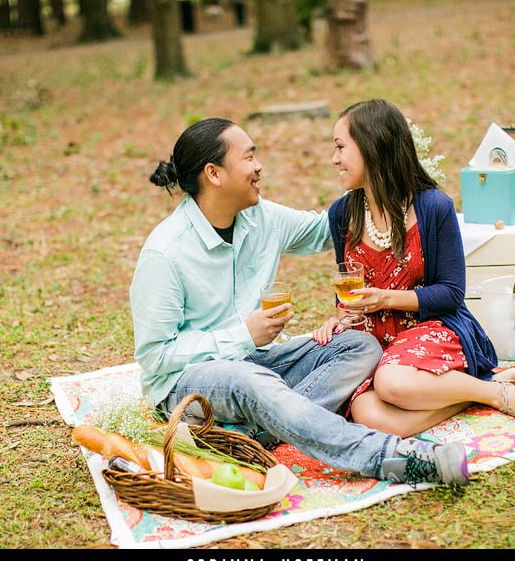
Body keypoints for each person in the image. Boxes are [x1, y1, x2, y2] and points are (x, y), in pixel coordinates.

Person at [129, 117, 470, 486]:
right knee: (247, 379)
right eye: (248, 158)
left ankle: (259, 435)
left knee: (359, 345)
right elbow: (154, 357)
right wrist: (242, 335)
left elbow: (334, 226)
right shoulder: (165, 252)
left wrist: (384, 182)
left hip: (254, 362)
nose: (258, 166)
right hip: (187, 384)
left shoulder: (261, 219)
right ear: (214, 174)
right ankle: (388, 457)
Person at [312, 99, 515, 438]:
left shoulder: (433, 207)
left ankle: (492, 393)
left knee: (391, 383)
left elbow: (451, 293)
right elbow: (347, 285)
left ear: (372, 147)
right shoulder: (341, 215)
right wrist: (338, 315)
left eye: (340, 147)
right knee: (368, 414)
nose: (334, 158)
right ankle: (477, 391)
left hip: (432, 326)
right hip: (373, 338)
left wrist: (386, 299)